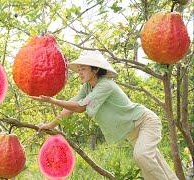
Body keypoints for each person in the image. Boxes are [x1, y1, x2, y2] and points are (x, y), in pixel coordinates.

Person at [31, 51, 178, 180]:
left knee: (142, 157)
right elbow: (70, 106)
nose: (79, 72)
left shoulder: (105, 85)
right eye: (79, 69)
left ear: (95, 70)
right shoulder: (87, 87)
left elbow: (80, 107)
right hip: (133, 132)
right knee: (153, 165)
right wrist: (50, 125)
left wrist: (53, 100)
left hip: (145, 122)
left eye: (83, 69)